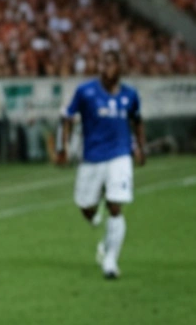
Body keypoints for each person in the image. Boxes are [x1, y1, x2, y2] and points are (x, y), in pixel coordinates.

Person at [56, 50, 145, 280]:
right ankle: (97, 221)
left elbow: (137, 121)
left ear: (119, 69)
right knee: (86, 207)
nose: (106, 69)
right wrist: (61, 148)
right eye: (103, 64)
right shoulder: (85, 92)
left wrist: (140, 149)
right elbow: (66, 117)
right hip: (92, 158)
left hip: (120, 156)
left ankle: (110, 261)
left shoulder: (130, 95)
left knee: (116, 206)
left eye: (111, 64)